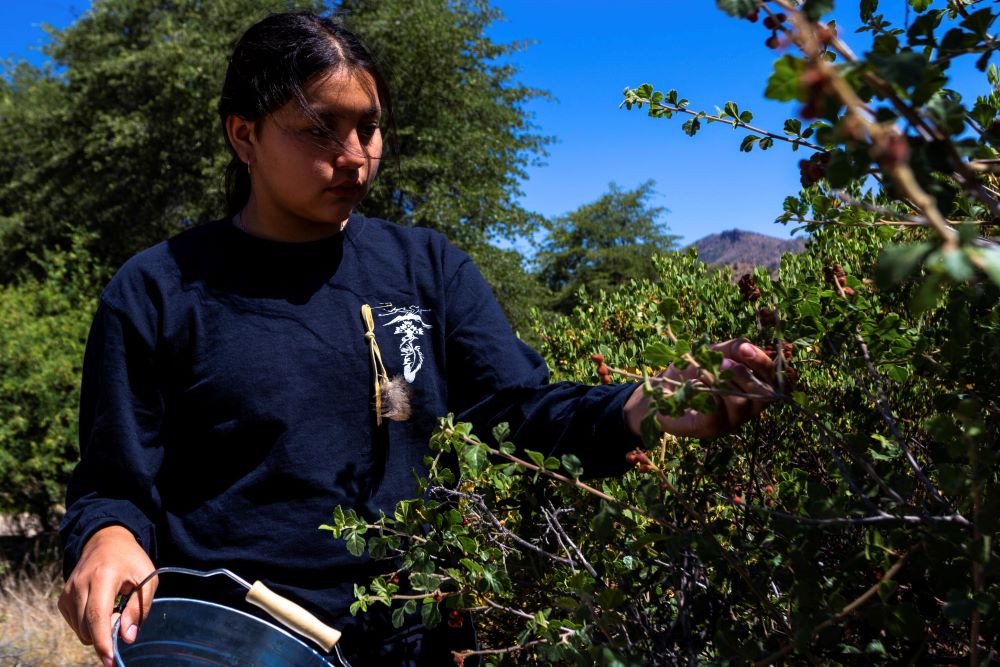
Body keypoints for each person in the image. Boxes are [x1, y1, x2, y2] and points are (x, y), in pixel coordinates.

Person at [57, 11, 776, 667]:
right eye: (319, 129)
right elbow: (114, 483)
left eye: (367, 127)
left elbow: (517, 408)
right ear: (243, 134)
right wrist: (107, 538)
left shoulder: (426, 269)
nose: (355, 155)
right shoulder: (157, 290)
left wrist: (637, 409)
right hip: (229, 643)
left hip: (418, 644)